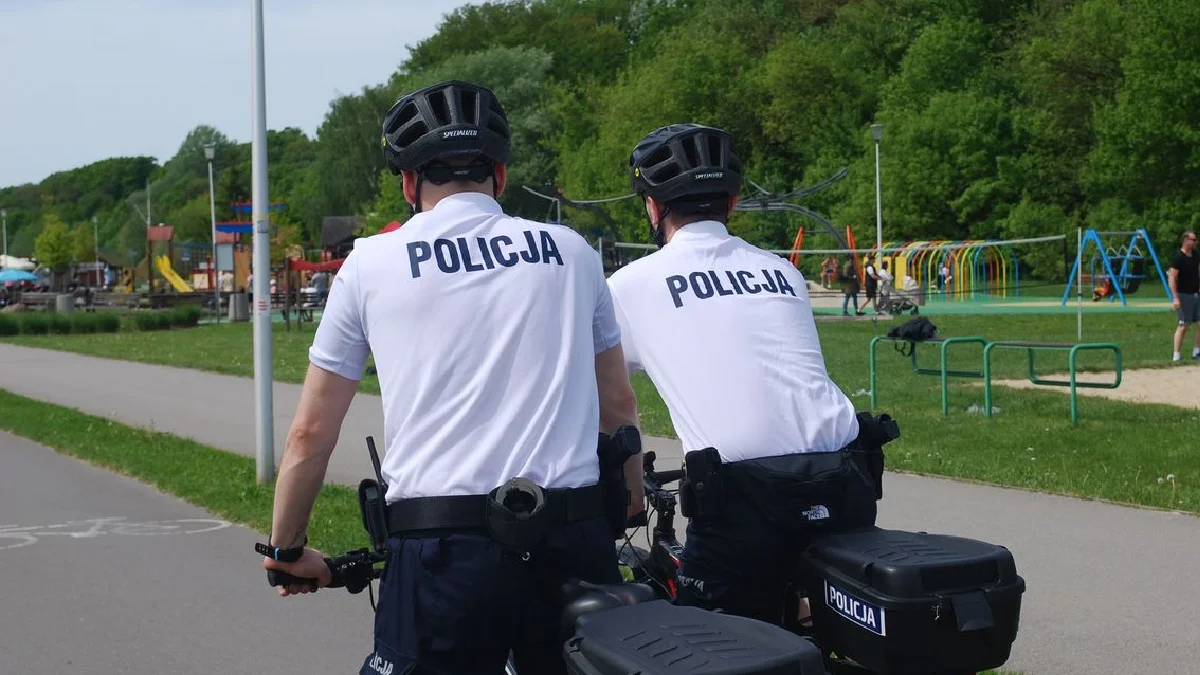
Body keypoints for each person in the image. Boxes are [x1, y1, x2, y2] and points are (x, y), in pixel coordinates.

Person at [257, 80, 644, 675]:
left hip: (442, 554)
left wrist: (286, 549)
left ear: (409, 184)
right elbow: (617, 405)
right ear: (501, 175)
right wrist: (631, 505)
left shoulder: (369, 265)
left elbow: (311, 432)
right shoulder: (571, 251)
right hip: (572, 539)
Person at [607, 123, 890, 626]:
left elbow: (606, 396)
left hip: (744, 505)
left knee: (705, 642)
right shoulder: (783, 271)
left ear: (654, 207)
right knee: (815, 625)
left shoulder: (631, 284)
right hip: (846, 480)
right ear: (732, 202)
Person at [1168, 230, 1199, 362]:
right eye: (1193, 239)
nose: (1195, 242)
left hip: (1196, 295)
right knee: (1183, 325)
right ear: (1186, 240)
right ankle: (1176, 355)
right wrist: (1175, 297)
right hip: (1183, 295)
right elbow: (1172, 278)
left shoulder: (1196, 255)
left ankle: (1196, 352)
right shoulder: (1179, 257)